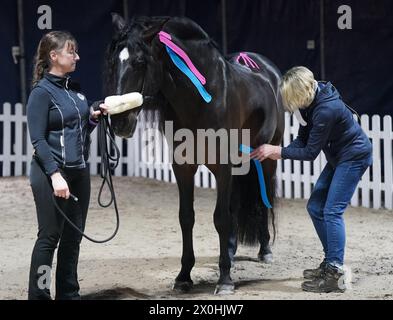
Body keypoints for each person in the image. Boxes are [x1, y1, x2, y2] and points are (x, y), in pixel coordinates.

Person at [250, 66, 372, 293]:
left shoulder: (326, 110)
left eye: (291, 98)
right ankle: (330, 262)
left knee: (332, 211)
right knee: (315, 206)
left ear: (302, 92)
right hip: (339, 156)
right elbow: (302, 139)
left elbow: (309, 153)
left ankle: (335, 272)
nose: (289, 104)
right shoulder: (309, 102)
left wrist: (276, 151)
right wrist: (279, 149)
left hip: (353, 157)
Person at [27, 31, 108, 300]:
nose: (77, 57)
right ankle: (39, 296)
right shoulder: (41, 93)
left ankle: (68, 294)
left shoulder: (75, 93)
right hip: (50, 172)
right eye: (71, 52)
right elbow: (38, 139)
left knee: (73, 238)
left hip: (78, 173)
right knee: (49, 237)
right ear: (54, 56)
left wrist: (93, 119)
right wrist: (55, 176)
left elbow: (80, 132)